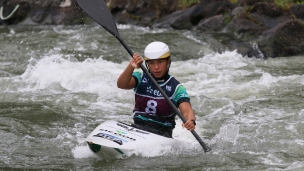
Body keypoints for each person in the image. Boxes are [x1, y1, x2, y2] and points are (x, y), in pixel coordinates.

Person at [117, 41, 196, 138]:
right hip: (138, 129)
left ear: (168, 61)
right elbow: (121, 84)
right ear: (147, 64)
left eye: (160, 62)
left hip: (162, 135)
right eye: (152, 63)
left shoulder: (176, 87)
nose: (156, 67)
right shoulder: (141, 77)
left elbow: (187, 110)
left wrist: (190, 121)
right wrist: (131, 66)